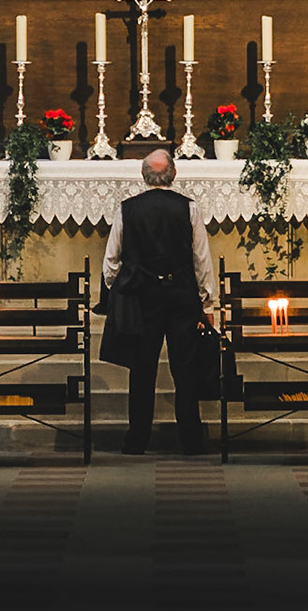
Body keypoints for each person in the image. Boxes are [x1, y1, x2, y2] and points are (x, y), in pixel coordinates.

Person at [100, 149, 215, 455]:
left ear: (144, 175)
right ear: (173, 174)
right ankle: (191, 439)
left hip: (143, 298)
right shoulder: (188, 208)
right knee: (185, 369)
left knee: (142, 370)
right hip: (181, 297)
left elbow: (111, 261)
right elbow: (201, 257)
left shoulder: (127, 209)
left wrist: (118, 291)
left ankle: (137, 439)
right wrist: (208, 303)